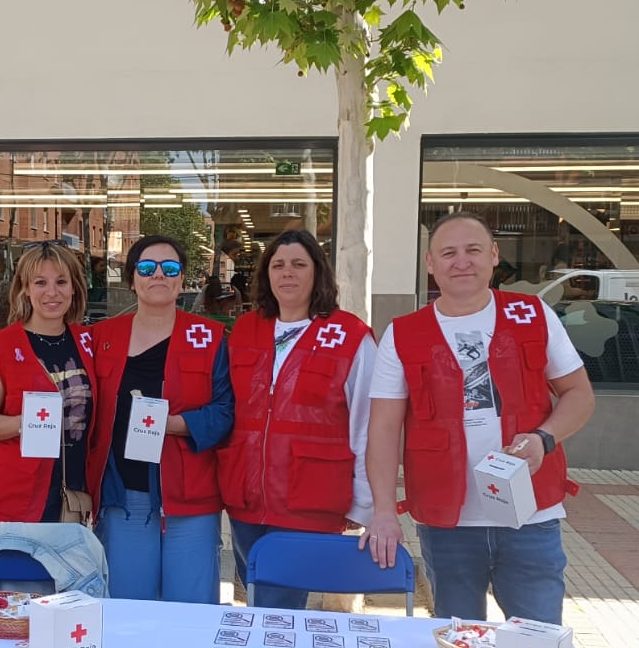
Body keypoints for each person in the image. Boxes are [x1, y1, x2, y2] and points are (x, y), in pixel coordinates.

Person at [364, 212, 595, 626]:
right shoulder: (403, 334)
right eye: (448, 253)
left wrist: (544, 438)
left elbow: (579, 395)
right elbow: (382, 429)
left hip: (530, 514)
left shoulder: (533, 314)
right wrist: (383, 509)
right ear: (431, 264)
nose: (462, 261)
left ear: (493, 255)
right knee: (458, 643)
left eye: (473, 250)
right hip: (447, 521)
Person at [217, 230, 375, 610]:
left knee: (277, 607)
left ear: (317, 273)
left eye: (299, 264)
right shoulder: (245, 329)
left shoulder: (350, 335)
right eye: (278, 265)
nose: (287, 273)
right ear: (266, 275)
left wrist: (365, 502)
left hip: (310, 497)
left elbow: (368, 424)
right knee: (256, 593)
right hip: (246, 499)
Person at [87, 235, 234, 603]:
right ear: (132, 278)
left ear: (182, 280)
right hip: (124, 498)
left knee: (191, 615)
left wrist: (173, 425)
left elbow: (226, 410)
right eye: (146, 268)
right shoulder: (100, 338)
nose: (158, 276)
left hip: (190, 498)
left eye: (170, 269)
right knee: (128, 611)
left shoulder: (210, 337)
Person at [0, 241, 99, 525]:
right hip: (13, 499)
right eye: (41, 282)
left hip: (71, 495)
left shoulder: (88, 343)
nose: (52, 292)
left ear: (74, 288)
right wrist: (32, 421)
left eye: (61, 282)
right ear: (25, 289)